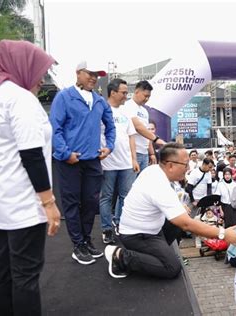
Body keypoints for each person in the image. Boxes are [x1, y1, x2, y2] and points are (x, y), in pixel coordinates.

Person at [0, 40, 61, 315]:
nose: (42, 79)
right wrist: (49, 203)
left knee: (3, 268)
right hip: (22, 199)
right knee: (25, 274)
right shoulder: (20, 99)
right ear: (24, 66)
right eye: (40, 70)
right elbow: (31, 155)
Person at [104, 143, 236, 279]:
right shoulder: (158, 184)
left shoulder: (154, 170)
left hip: (153, 229)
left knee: (178, 219)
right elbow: (187, 224)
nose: (187, 168)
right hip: (137, 235)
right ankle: (120, 256)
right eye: (185, 164)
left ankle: (156, 254)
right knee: (172, 267)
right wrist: (223, 234)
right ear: (170, 165)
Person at [50, 60, 115, 265]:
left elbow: (110, 125)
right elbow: (55, 128)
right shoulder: (64, 96)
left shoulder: (99, 100)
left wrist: (109, 146)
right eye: (90, 73)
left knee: (90, 203)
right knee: (72, 203)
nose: (94, 77)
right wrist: (65, 152)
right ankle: (77, 244)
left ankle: (86, 240)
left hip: (93, 160)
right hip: (69, 161)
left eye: (97, 74)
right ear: (78, 73)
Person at [99, 79, 139, 244]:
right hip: (107, 162)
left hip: (126, 164)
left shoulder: (126, 113)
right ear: (113, 92)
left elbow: (131, 137)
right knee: (106, 197)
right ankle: (107, 229)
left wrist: (134, 159)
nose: (125, 96)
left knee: (126, 197)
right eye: (123, 92)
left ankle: (121, 225)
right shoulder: (101, 110)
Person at [123, 80, 165, 173]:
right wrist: (157, 140)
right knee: (132, 184)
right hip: (133, 152)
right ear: (136, 92)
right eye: (145, 96)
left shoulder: (144, 111)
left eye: (149, 97)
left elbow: (147, 133)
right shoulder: (127, 106)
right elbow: (138, 127)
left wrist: (151, 153)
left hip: (144, 153)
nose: (147, 99)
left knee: (142, 183)